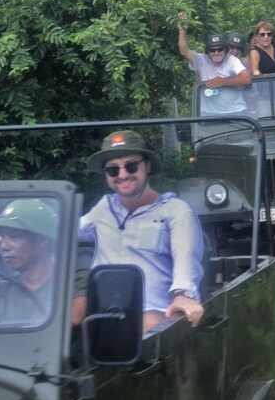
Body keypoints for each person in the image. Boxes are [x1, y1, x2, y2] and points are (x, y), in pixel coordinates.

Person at [79, 130, 205, 332]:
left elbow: (186, 260)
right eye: (113, 170)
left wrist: (181, 295)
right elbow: (65, 235)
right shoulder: (103, 208)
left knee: (150, 323)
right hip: (104, 316)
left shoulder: (175, 210)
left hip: (157, 319)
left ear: (146, 166)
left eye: (131, 166)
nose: (122, 175)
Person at [0, 199, 61, 325]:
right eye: (2, 237)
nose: (4, 246)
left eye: (14, 237)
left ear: (43, 240)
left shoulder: (64, 289)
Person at [177, 12, 251, 89]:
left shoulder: (232, 60)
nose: (216, 52)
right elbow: (184, 52)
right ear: (207, 52)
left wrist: (222, 82)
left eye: (220, 49)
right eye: (212, 50)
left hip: (234, 101)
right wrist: (182, 31)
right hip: (208, 100)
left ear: (225, 50)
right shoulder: (201, 60)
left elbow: (246, 79)